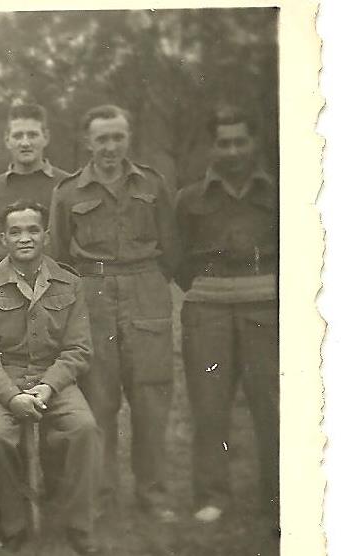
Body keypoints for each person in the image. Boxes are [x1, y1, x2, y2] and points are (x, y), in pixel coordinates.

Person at [49, 104, 179, 521]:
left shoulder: (152, 184)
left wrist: (148, 281)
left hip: (146, 290)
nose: (110, 147)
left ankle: (152, 493)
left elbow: (172, 247)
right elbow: (59, 255)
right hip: (93, 293)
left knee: (151, 398)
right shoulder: (68, 192)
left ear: (129, 138)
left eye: (117, 137)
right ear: (88, 142)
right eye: (101, 139)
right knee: (98, 399)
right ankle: (101, 495)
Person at [0, 201, 100, 556]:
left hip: (53, 378)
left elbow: (78, 348)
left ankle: (78, 524)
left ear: (46, 236)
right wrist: (11, 397)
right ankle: (13, 525)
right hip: (3, 380)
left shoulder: (69, 283)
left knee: (83, 428)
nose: (25, 238)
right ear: (3, 239)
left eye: (33, 230)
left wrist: (49, 386)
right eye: (16, 232)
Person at [175, 105, 278, 524]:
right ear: (212, 148)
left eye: (240, 142)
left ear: (253, 144)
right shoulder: (190, 199)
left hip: (266, 310)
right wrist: (208, 286)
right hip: (207, 313)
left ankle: (277, 494)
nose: (232, 151)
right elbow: (176, 256)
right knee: (209, 406)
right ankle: (212, 496)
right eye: (223, 143)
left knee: (271, 405)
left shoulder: (277, 192)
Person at [0, 104, 71, 266]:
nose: (25, 143)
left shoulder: (66, 186)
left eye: (32, 135)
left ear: (46, 137)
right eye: (18, 136)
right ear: (7, 140)